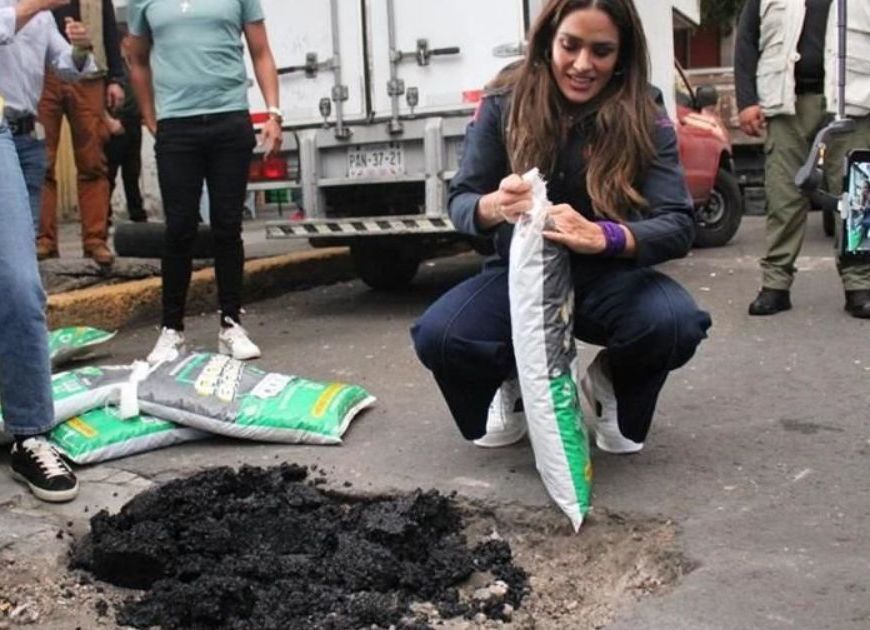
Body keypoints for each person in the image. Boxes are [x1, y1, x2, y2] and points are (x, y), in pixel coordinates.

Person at [411, 0, 711, 452]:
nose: (582, 65)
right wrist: (494, 206)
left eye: (602, 51)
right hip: (518, 274)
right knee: (442, 336)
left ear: (622, 55)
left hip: (609, 276)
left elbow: (677, 223)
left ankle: (612, 382)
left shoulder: (644, 108)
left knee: (674, 323)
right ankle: (506, 376)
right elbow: (463, 201)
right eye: (570, 46)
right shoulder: (503, 99)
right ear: (548, 39)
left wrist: (606, 236)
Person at [126, 0, 283, 363]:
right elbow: (137, 59)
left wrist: (274, 113)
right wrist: (151, 118)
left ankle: (231, 325)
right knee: (179, 228)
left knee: (227, 227)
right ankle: (171, 331)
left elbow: (261, 51)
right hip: (177, 126)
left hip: (229, 119)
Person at [0, 0, 93, 502]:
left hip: (9, 134)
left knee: (18, 282)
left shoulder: (40, 20)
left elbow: (74, 69)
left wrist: (82, 48)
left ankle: (30, 433)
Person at [736, 0, 870, 318]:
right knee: (783, 197)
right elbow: (746, 43)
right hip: (786, 104)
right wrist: (747, 101)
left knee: (858, 199)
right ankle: (775, 286)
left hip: (854, 104)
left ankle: (859, 285)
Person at [35, 0, 124, 266]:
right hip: (43, 75)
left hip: (89, 72)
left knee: (93, 160)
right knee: (41, 162)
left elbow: (109, 28)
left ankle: (95, 240)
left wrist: (116, 79)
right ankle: (44, 240)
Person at [0, 0, 95, 232]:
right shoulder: (35, 8)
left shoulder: (42, 16)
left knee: (26, 233)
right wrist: (37, 5)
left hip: (27, 134)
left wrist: (81, 48)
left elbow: (67, 67)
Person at [104, 29, 146, 224]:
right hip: (117, 121)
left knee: (132, 172)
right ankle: (104, 214)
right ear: (123, 41)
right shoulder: (115, 69)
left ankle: (137, 213)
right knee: (109, 172)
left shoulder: (133, 64)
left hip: (134, 122)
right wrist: (111, 119)